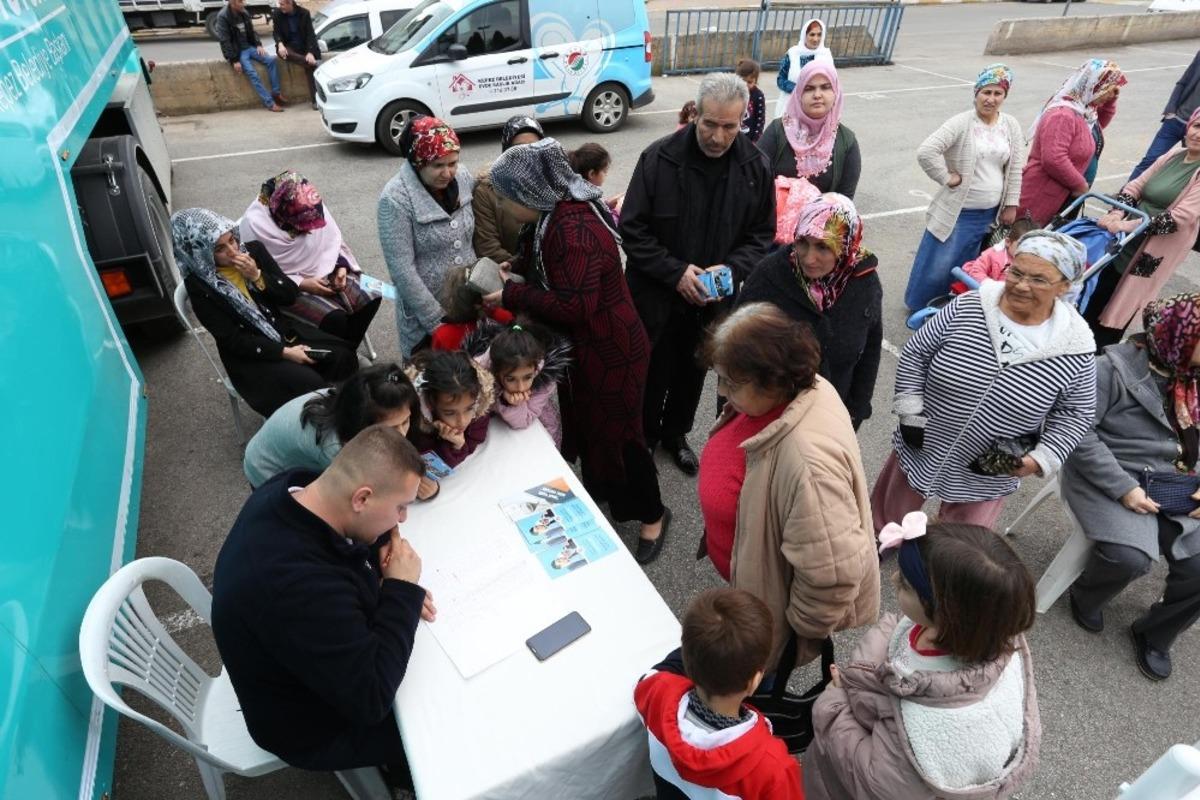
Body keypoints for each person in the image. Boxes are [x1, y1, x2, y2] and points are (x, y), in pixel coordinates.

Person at [484, 138, 672, 563]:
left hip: (613, 351)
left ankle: (653, 514)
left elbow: (576, 305)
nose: (505, 207)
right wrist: (519, 267)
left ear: (529, 191)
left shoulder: (572, 229)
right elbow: (550, 267)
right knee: (590, 428)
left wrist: (513, 294)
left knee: (622, 436)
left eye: (508, 198)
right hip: (589, 347)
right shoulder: (554, 213)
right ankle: (605, 494)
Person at [211, 425, 436, 779]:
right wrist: (401, 590)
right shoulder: (297, 586)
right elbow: (372, 698)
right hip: (310, 729)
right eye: (400, 507)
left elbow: (344, 543)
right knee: (443, 722)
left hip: (297, 668)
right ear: (362, 499)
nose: (401, 520)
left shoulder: (298, 489)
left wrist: (380, 548)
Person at [872, 230, 1097, 531]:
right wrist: (910, 410)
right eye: (1016, 272)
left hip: (990, 468)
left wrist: (1041, 458)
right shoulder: (969, 306)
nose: (1021, 285)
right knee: (886, 520)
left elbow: (1075, 414)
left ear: (1065, 285)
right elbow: (917, 353)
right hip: (922, 440)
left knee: (961, 544)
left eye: (1039, 279)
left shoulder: (1075, 347)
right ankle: (879, 543)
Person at [804, 516, 1040, 799]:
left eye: (906, 584)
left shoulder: (927, 727)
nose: (893, 578)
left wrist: (835, 702)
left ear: (945, 613)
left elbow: (875, 782)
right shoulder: (988, 633)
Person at [699, 304, 879, 668]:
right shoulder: (796, 391)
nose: (721, 390)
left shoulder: (810, 468)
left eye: (731, 382)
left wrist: (789, 636)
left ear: (773, 379)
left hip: (764, 625)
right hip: (752, 579)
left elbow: (834, 575)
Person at [621, 72, 775, 476]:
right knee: (651, 371)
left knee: (694, 373)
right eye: (710, 124)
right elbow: (632, 229)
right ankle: (644, 436)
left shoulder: (755, 166)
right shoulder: (659, 158)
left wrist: (733, 268)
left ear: (742, 120)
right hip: (656, 298)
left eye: (730, 127)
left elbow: (762, 235)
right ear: (694, 114)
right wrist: (675, 273)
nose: (718, 137)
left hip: (712, 301)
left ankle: (676, 435)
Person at [1062, 294, 1200, 681]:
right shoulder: (1110, 368)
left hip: (1178, 481)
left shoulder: (1193, 376)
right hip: (1113, 475)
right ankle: (1086, 593)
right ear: (1182, 334)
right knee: (1129, 557)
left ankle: (1157, 633)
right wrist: (1124, 487)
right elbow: (1077, 433)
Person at [172, 208, 357, 417]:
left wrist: (257, 276)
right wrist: (285, 353)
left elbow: (289, 295)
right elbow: (233, 340)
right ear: (200, 252)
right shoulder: (200, 286)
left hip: (283, 333)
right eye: (219, 249)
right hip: (252, 356)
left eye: (232, 240)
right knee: (309, 384)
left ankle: (347, 412)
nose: (233, 251)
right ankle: (325, 423)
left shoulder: (253, 252)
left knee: (343, 357)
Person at [634, 588, 804, 800]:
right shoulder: (773, 768)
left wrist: (701, 646)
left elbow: (654, 675)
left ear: (687, 658)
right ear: (754, 682)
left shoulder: (657, 691)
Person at [736, 194, 881, 429]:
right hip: (768, 417)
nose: (808, 257)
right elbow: (735, 346)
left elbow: (870, 349)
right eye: (802, 242)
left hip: (830, 416)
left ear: (846, 247)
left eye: (823, 246)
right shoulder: (769, 275)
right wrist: (734, 415)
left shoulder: (865, 281)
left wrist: (855, 411)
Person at [905, 64, 1026, 311]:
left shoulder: (1010, 125)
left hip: (990, 213)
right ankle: (920, 308)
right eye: (986, 92)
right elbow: (926, 151)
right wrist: (946, 177)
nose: (991, 99)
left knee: (969, 264)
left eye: (998, 93)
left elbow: (1015, 168)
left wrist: (1011, 204)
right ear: (976, 93)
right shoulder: (961, 123)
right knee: (939, 264)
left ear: (1005, 96)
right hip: (959, 212)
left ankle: (950, 308)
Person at [1083, 109, 1200, 350]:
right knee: (1096, 294)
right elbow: (1136, 185)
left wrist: (1126, 225)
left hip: (1155, 249)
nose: (1198, 135)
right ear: (1188, 126)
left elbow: (1178, 219)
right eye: (1197, 127)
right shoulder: (1174, 155)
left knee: (1120, 307)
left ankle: (1101, 357)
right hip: (1124, 240)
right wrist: (1117, 212)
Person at [240, 170, 381, 347]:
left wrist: (341, 266)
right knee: (335, 319)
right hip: (286, 287)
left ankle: (348, 349)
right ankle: (343, 353)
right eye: (302, 227)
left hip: (328, 269)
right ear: (282, 217)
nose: (310, 231)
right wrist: (301, 283)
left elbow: (332, 239)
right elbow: (259, 274)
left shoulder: (310, 204)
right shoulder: (254, 226)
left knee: (375, 291)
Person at [378, 115, 476, 357]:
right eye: (438, 165)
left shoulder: (463, 177)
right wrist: (436, 321)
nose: (448, 173)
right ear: (417, 162)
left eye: (453, 163)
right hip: (426, 314)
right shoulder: (395, 198)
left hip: (469, 302)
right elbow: (402, 270)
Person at [243, 363, 420, 488]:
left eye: (405, 421)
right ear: (363, 423)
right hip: (266, 470)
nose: (402, 435)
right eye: (391, 428)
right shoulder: (334, 446)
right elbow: (360, 493)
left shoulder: (353, 403)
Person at [1018, 59, 1126, 226]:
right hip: (1044, 194)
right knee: (1030, 237)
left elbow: (1096, 129)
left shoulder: (1085, 111)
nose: (1111, 94)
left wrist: (1110, 102)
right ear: (1093, 85)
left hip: (1066, 194)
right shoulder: (1063, 115)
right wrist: (1080, 185)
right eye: (1108, 90)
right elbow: (1054, 159)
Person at [758, 60, 860, 198]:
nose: (817, 95)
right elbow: (755, 178)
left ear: (836, 92)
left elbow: (845, 199)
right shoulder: (778, 131)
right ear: (799, 93)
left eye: (825, 87)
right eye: (809, 88)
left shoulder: (847, 142)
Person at [464, 319, 569, 448]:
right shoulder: (480, 370)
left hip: (538, 424)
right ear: (496, 373)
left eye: (528, 377)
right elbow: (473, 404)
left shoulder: (544, 381)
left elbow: (524, 420)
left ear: (536, 368)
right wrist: (500, 398)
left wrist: (511, 405)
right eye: (511, 379)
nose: (521, 387)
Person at [473, 115, 545, 263]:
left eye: (534, 147)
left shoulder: (554, 183)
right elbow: (488, 247)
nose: (527, 154)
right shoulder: (487, 191)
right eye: (518, 148)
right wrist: (523, 270)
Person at [406, 349, 492, 469]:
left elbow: (474, 440)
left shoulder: (479, 407)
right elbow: (429, 467)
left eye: (469, 409)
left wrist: (459, 446)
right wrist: (453, 445)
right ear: (430, 404)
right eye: (450, 413)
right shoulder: (413, 421)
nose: (462, 421)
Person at [1130, 49, 1200, 181]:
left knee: (1188, 170)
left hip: (1198, 129)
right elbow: (1183, 82)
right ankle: (1125, 192)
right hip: (1176, 121)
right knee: (1150, 160)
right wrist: (1170, 111)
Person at [215, 0, 284, 112]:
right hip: (238, 52)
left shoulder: (244, 12)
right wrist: (234, 60)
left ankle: (276, 93)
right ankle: (270, 103)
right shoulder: (223, 17)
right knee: (253, 74)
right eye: (240, 2)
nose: (244, 4)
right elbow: (225, 41)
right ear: (232, 3)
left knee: (271, 60)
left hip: (250, 47)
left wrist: (258, 44)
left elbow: (251, 31)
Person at [774, 18, 832, 119]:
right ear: (805, 35)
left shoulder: (826, 56)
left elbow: (831, 84)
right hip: (791, 106)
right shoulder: (793, 54)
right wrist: (799, 89)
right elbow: (781, 79)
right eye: (812, 34)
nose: (816, 39)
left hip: (816, 107)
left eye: (819, 35)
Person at [959, 217, 1038, 287]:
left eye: (1031, 249)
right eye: (1021, 246)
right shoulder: (993, 254)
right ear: (1008, 242)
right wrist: (988, 285)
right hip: (981, 290)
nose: (1025, 252)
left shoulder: (1032, 265)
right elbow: (976, 271)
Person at [271, 0, 320, 109]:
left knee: (310, 68)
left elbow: (310, 34)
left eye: (282, 4)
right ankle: (310, 62)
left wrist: (310, 52)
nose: (280, 6)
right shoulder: (277, 14)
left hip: (303, 47)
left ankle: (315, 100)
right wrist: (280, 44)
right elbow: (276, 32)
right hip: (288, 47)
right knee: (286, 53)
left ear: (290, 3)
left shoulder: (304, 13)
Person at [568, 142, 623, 221]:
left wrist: (607, 204)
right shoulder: (586, 201)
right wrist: (617, 211)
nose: (606, 174)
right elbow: (606, 224)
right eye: (604, 171)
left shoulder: (579, 191)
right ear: (592, 174)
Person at [736, 59, 767, 143]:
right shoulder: (733, 92)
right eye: (743, 81)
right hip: (733, 135)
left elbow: (760, 120)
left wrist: (756, 139)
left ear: (755, 81)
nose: (745, 85)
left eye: (749, 82)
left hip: (749, 138)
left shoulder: (758, 96)